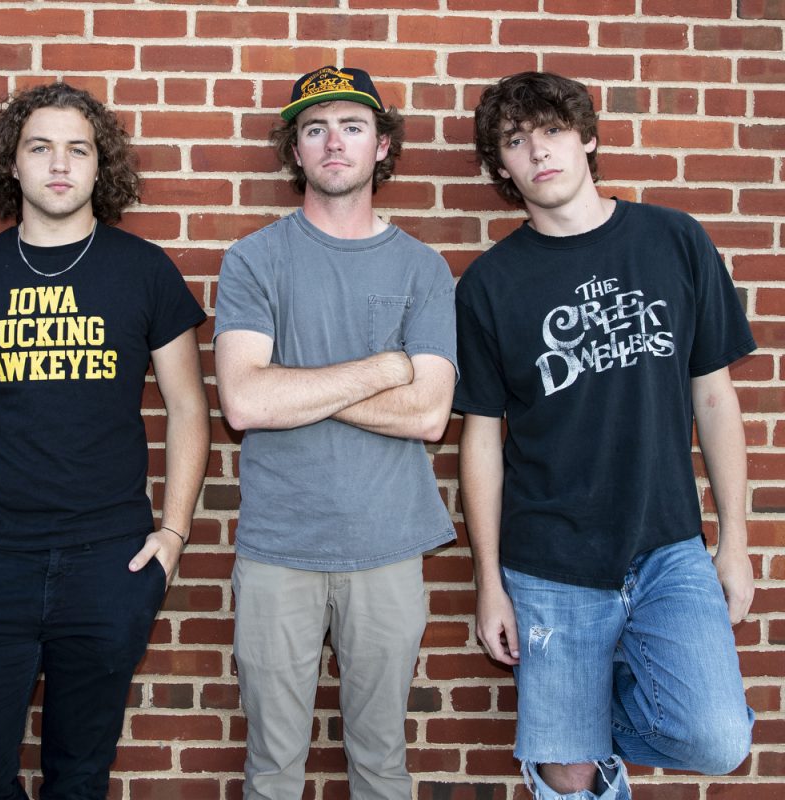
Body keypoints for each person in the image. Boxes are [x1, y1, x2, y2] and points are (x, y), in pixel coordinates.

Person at [455, 71, 755, 800]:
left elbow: (714, 399)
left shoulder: (673, 240)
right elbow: (483, 441)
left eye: (554, 131)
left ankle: (576, 714)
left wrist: (736, 540)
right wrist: (487, 579)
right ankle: (564, 734)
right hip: (548, 564)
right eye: (516, 142)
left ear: (588, 137)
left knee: (717, 739)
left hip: (667, 549)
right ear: (502, 168)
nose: (539, 153)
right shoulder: (489, 285)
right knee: (568, 773)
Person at [0, 82, 209, 799]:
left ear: (99, 166)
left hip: (108, 561)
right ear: (10, 164)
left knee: (78, 777)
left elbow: (188, 406)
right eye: (39, 147)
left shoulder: (142, 271)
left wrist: (171, 536)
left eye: (77, 149)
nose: (58, 165)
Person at [213, 66, 458, 800]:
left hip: (387, 547)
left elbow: (427, 415)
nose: (333, 143)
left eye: (352, 126)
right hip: (278, 548)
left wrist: (299, 381)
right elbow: (244, 403)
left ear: (383, 145)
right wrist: (384, 366)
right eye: (314, 129)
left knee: (382, 766)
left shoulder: (423, 268)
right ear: (295, 148)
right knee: (272, 770)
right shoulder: (255, 259)